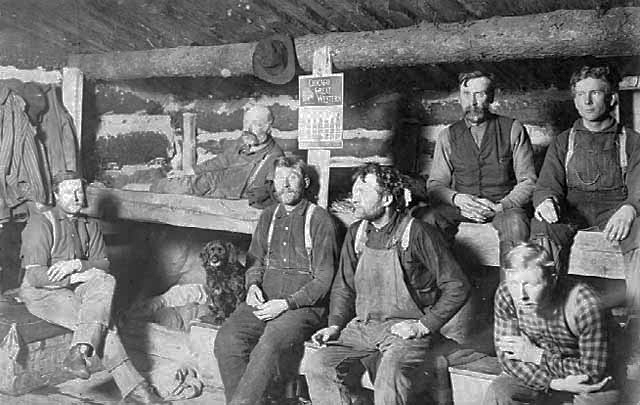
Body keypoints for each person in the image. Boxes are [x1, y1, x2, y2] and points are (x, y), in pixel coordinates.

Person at [305, 163, 470, 405]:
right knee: (318, 365)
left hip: (403, 332)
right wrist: (335, 325)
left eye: (363, 191)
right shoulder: (357, 233)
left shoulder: (417, 233)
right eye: (354, 191)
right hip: (363, 327)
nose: (354, 198)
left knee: (388, 378)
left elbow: (457, 286)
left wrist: (423, 326)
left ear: (386, 199)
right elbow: (343, 287)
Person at [18, 171, 166, 404]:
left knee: (106, 280)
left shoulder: (90, 225)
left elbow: (103, 264)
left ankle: (79, 351)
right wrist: (75, 277)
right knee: (104, 326)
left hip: (75, 284)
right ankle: (137, 389)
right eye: (68, 192)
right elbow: (35, 276)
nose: (76, 197)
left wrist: (77, 264)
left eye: (79, 191)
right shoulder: (41, 222)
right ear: (56, 194)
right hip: (43, 292)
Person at [530, 65, 640, 379]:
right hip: (573, 211)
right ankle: (546, 325)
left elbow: (638, 185)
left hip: (614, 211)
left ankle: (635, 332)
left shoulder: (631, 141)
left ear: (612, 99)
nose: (586, 101)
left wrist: (631, 207)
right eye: (580, 94)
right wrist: (546, 201)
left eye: (595, 93)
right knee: (542, 229)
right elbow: (547, 184)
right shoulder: (564, 141)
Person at [213, 156, 339, 405]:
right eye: (280, 178)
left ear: (304, 182)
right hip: (265, 299)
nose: (286, 184)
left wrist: (286, 304)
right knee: (228, 339)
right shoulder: (268, 217)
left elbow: (324, 279)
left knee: (269, 343)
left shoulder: (320, 220)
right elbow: (255, 260)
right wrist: (252, 286)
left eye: (292, 177)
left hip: (303, 307)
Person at [483, 242, 619, 405]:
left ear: (552, 279)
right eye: (514, 284)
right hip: (538, 369)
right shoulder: (506, 293)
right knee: (500, 391)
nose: (521, 295)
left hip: (584, 374)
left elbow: (592, 371)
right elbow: (508, 359)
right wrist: (554, 384)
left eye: (531, 285)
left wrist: (536, 355)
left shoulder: (585, 303)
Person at [422, 71, 536, 263]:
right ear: (460, 98)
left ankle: (511, 291)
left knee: (516, 224)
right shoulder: (448, 135)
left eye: (480, 94)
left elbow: (529, 182)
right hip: (462, 209)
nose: (472, 102)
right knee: (428, 220)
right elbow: (435, 185)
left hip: (502, 207)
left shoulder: (513, 129)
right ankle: (440, 289)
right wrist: (457, 199)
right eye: (466, 95)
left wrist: (501, 206)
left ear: (491, 97)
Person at [151, 104, 284, 208]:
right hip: (211, 181)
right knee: (166, 184)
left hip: (225, 193)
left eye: (256, 124)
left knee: (174, 187)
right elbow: (222, 160)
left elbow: (267, 192)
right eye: (246, 123)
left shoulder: (274, 157)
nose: (248, 129)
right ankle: (156, 182)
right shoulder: (244, 141)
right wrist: (189, 171)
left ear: (268, 128)